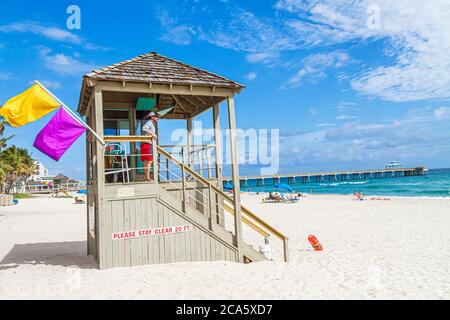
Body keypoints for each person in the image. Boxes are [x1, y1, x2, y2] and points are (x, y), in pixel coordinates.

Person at [140, 111, 159, 181]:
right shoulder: (150, 122)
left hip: (146, 144)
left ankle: (146, 177)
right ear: (152, 117)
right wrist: (153, 134)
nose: (157, 118)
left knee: (147, 161)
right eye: (156, 116)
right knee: (148, 161)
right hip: (146, 144)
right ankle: (146, 177)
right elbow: (144, 128)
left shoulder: (151, 123)